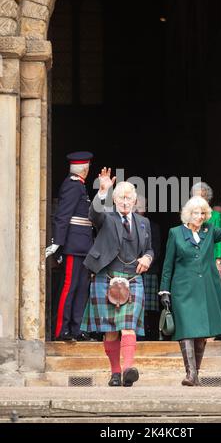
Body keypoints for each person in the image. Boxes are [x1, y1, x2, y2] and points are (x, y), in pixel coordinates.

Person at [80, 168, 154, 387]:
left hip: (132, 279)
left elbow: (150, 249)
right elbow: (93, 215)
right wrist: (102, 191)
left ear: (134, 201)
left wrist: (148, 259)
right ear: (114, 199)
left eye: (129, 198)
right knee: (111, 330)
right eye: (121, 197)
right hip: (107, 276)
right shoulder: (107, 217)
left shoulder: (143, 223)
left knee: (129, 325)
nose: (125, 202)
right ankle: (115, 372)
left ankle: (128, 368)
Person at [159, 188, 221, 386]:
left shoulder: (209, 231)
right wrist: (164, 290)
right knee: (186, 329)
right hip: (182, 289)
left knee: (201, 332)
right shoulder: (175, 233)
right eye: (196, 213)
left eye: (203, 213)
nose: (200, 217)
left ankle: (196, 374)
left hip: (205, 288)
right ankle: (190, 374)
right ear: (188, 214)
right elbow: (168, 264)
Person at [46, 151, 94, 341]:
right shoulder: (73, 186)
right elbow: (62, 216)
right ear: (85, 169)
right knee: (70, 287)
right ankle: (62, 329)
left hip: (82, 246)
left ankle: (76, 328)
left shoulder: (80, 187)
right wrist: (58, 242)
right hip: (73, 245)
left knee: (81, 288)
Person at [135, 195, 161, 340]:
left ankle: (151, 337)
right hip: (131, 271)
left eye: (141, 207)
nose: (138, 210)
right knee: (133, 307)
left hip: (149, 271)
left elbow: (156, 249)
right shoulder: (126, 224)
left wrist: (146, 262)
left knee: (150, 310)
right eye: (136, 207)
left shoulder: (153, 226)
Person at [191, 182, 221, 278]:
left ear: (208, 199)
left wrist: (218, 261)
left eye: (201, 196)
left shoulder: (216, 216)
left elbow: (220, 240)